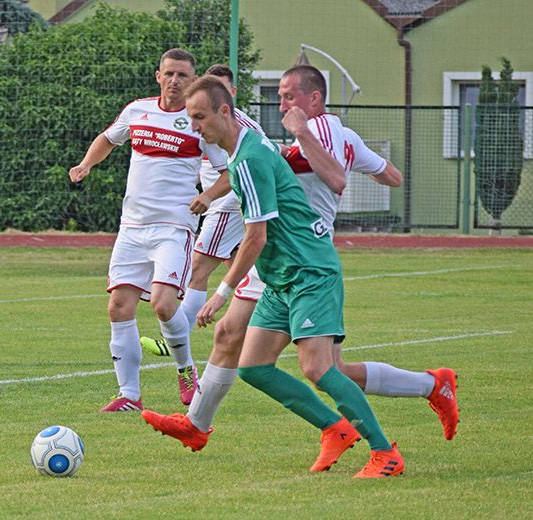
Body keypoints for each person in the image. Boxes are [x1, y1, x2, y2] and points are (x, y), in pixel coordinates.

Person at [142, 66, 458, 449]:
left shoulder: (318, 131)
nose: (283, 104)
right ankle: (199, 424)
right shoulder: (327, 138)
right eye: (280, 96)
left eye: (290, 96)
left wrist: (301, 136)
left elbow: (333, 179)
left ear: (315, 99)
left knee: (321, 368)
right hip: (282, 259)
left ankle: (390, 431)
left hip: (303, 255)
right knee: (243, 345)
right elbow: (391, 175)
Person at [69, 49, 230, 412]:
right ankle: (129, 395)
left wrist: (206, 196)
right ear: (158, 75)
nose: (175, 81)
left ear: (193, 81)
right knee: (118, 306)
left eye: (183, 76)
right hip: (132, 226)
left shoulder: (198, 121)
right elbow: (108, 138)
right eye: (169, 74)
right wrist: (85, 165)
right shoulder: (137, 110)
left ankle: (186, 371)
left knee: (162, 304)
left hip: (174, 227)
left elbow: (229, 172)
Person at [140, 64, 272, 357]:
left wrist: (210, 196)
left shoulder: (240, 126)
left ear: (231, 96)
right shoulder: (203, 121)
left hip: (229, 204)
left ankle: (177, 339)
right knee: (245, 270)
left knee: (197, 268)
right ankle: (265, 324)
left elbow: (241, 168)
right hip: (227, 204)